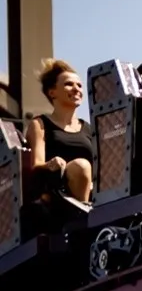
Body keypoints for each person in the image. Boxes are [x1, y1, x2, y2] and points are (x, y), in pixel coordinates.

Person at [24, 59, 94, 204]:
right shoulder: (40, 124)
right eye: (69, 84)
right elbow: (36, 164)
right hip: (56, 194)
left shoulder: (88, 128)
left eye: (79, 85)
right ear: (52, 92)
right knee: (81, 166)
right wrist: (51, 164)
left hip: (92, 193)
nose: (76, 89)